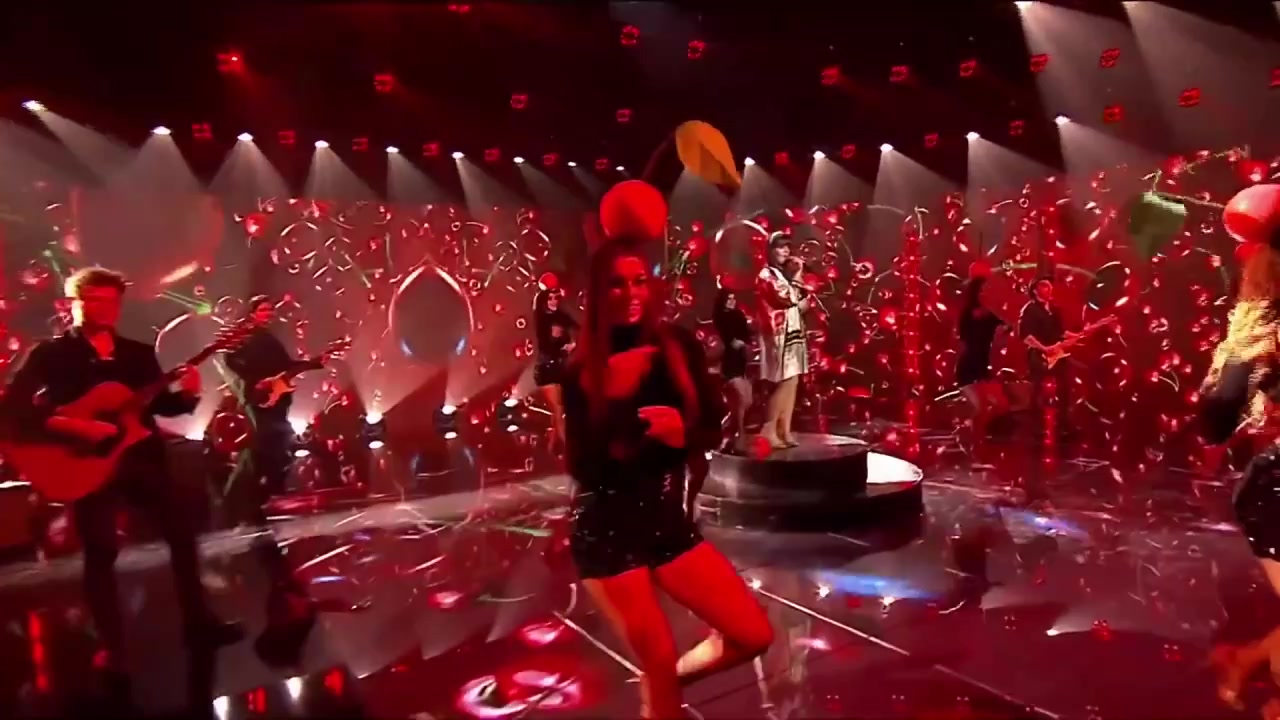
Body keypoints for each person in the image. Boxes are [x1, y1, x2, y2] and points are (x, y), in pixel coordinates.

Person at [0, 267, 243, 698]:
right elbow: (14, 408)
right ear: (74, 304)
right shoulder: (51, 355)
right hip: (85, 463)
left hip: (140, 459)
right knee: (101, 553)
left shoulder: (137, 353)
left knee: (181, 533)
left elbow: (159, 406)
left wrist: (188, 395)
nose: (104, 309)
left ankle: (199, 624)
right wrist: (73, 425)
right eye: (93, 300)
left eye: (111, 301)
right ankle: (114, 651)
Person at [562, 238, 773, 718]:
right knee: (656, 659)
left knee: (753, 634)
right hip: (607, 531)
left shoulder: (677, 346)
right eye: (616, 284)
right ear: (598, 292)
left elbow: (713, 423)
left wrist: (682, 435)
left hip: (666, 523)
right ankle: (660, 689)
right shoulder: (582, 368)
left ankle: (663, 685)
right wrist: (615, 396)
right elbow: (583, 466)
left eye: (639, 281)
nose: (630, 293)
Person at [1200, 243, 1280, 709]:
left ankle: (1246, 663)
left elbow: (1214, 420)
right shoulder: (1265, 330)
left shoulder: (1261, 329)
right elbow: (1216, 422)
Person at [755, 234, 811, 450]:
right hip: (777, 334)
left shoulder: (780, 275)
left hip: (793, 330)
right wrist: (797, 276)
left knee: (793, 380)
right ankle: (768, 428)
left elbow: (798, 300)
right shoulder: (766, 275)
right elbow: (787, 297)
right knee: (785, 380)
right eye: (781, 247)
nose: (786, 251)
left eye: (788, 247)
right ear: (770, 251)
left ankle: (784, 429)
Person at [1017, 277, 1073, 432]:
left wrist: (1078, 335)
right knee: (1037, 389)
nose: (1049, 288)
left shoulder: (1055, 309)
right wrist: (1043, 348)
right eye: (1044, 286)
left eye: (1050, 286)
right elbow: (1026, 335)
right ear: (1035, 291)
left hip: (1056, 354)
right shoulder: (1029, 309)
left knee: (1065, 386)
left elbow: (1061, 332)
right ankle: (1034, 425)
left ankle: (1063, 422)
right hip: (1038, 354)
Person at [533, 285, 578, 448]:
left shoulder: (562, 316)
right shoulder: (541, 318)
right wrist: (563, 348)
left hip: (559, 368)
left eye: (557, 298)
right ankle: (567, 447)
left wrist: (573, 344)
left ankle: (554, 446)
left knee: (558, 411)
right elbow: (545, 346)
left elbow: (577, 327)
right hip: (546, 368)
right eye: (550, 298)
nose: (554, 301)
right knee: (558, 409)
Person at [712, 287, 752, 453]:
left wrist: (744, 343)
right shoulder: (720, 317)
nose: (732, 301)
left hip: (741, 361)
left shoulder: (739, 315)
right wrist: (734, 342)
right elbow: (725, 338)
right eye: (729, 298)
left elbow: (746, 335)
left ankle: (727, 431)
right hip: (729, 362)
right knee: (740, 399)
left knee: (747, 401)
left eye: (734, 298)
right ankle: (740, 436)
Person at [957, 276, 1007, 388]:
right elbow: (963, 338)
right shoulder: (968, 313)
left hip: (984, 362)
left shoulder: (989, 314)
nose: (985, 294)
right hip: (970, 364)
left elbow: (1004, 327)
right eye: (981, 291)